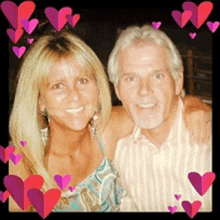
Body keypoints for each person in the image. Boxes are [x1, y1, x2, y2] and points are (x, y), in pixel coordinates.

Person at [8, 30, 135, 212]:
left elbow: (169, 109)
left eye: (82, 81)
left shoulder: (107, 130)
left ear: (98, 88)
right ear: (40, 101)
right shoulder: (22, 163)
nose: (74, 96)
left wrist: (191, 110)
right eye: (58, 86)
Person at [107, 24, 212, 211]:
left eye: (157, 76)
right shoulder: (116, 150)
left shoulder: (207, 140)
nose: (144, 90)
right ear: (117, 90)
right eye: (131, 78)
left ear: (178, 81)